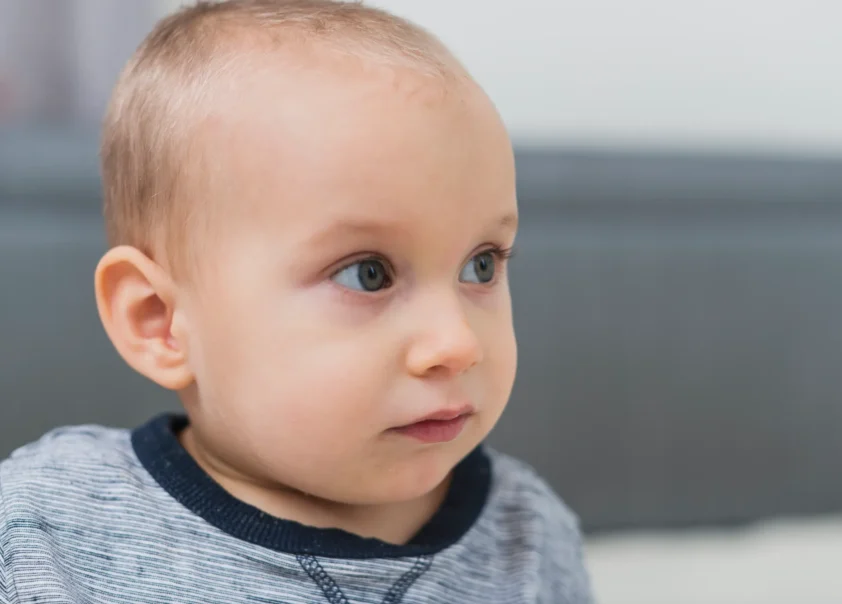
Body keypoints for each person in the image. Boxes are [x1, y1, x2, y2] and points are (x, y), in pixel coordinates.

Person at [0, 1, 595, 602]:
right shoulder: (49, 526)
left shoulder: (529, 538)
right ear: (160, 322)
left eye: (482, 264)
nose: (457, 343)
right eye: (368, 274)